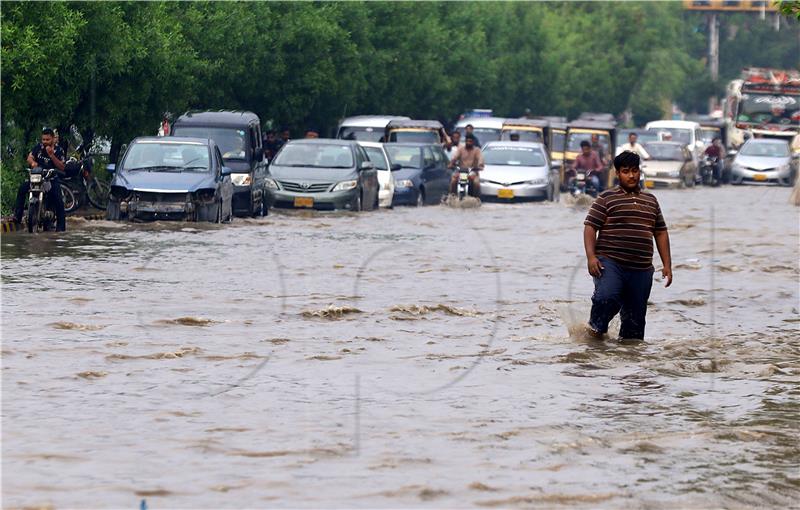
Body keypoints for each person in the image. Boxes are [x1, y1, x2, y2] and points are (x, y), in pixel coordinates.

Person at [583, 150, 672, 341]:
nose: (631, 175)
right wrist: (591, 257)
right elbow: (590, 227)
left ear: (640, 171)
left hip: (641, 269)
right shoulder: (606, 198)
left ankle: (629, 363)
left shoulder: (651, 200)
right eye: (625, 171)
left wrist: (667, 265)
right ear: (617, 173)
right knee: (607, 297)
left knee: (635, 325)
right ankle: (593, 335)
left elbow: (660, 232)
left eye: (634, 170)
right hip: (611, 263)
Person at [14, 128, 67, 231]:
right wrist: (33, 163)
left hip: (51, 178)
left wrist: (52, 155)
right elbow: (30, 157)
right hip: (37, 177)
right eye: (43, 139)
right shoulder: (38, 147)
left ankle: (61, 229)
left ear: (52, 139)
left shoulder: (59, 150)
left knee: (58, 200)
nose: (45, 142)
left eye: (47, 139)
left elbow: (62, 166)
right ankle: (17, 216)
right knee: (22, 189)